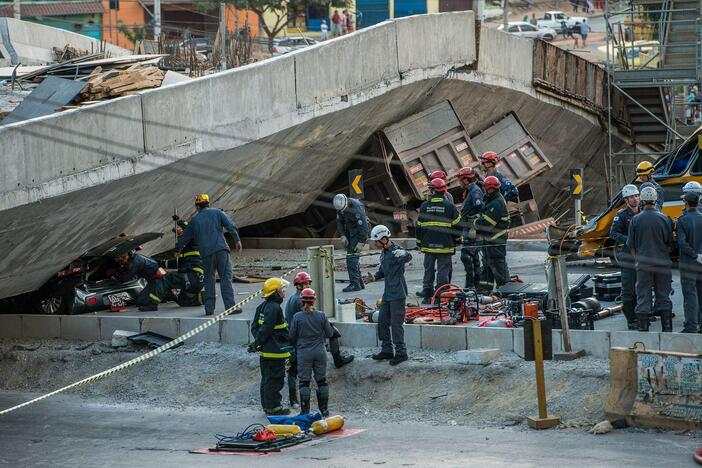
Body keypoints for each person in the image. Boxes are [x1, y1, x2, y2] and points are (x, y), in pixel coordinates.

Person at [284, 271, 353, 408]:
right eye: (305, 283)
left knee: (297, 374)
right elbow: (325, 331)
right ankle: (320, 408)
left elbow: (293, 330)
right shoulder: (301, 302)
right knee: (310, 377)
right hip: (306, 345)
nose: (308, 285)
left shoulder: (293, 299)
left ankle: (299, 405)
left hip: (301, 344)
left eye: (309, 282)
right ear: (298, 285)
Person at [176, 194, 242, 316]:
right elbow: (230, 225)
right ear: (208, 203)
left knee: (209, 280)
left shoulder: (194, 221)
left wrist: (177, 249)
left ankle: (209, 309)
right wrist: (237, 240)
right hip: (221, 250)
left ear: (197, 207)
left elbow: (184, 238)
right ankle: (230, 307)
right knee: (225, 278)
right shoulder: (217, 212)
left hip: (206, 254)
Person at [626, 186, 674, 332]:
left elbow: (631, 245)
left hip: (643, 263)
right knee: (664, 294)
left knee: (643, 295)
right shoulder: (665, 219)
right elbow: (670, 244)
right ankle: (667, 329)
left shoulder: (635, 220)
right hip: (662, 262)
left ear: (642, 200)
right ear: (655, 200)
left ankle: (644, 330)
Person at [370, 225, 412, 366]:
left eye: (376, 241)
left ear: (384, 239)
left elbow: (408, 256)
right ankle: (387, 349)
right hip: (388, 293)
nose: (374, 244)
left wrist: (404, 254)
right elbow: (383, 270)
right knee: (382, 322)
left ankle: (401, 352)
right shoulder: (384, 252)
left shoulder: (396, 251)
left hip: (398, 293)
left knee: (396, 324)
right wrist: (373, 277)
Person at [249, 277, 292, 416]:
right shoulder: (274, 308)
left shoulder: (262, 307)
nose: (284, 292)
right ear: (275, 292)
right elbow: (266, 329)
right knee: (275, 379)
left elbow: (255, 327)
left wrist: (259, 343)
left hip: (266, 352)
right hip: (275, 352)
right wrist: (259, 343)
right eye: (281, 289)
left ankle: (267, 406)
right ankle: (274, 407)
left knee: (266, 379)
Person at [289, 288, 335, 416]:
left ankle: (305, 412)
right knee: (321, 381)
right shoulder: (321, 315)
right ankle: (324, 410)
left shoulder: (297, 317)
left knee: (304, 382)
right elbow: (330, 333)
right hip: (320, 352)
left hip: (304, 353)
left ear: (301, 300)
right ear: (314, 300)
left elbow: (291, 336)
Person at [416, 178, 461, 304]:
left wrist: (419, 243)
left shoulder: (424, 207)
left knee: (428, 270)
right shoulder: (450, 207)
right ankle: (440, 297)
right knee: (443, 271)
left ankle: (426, 296)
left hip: (428, 247)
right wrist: (457, 241)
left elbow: (418, 227)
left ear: (433, 190)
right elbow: (458, 226)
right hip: (445, 246)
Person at [609, 184, 640, 330]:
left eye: (636, 196)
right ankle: (631, 319)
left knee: (644, 289)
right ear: (626, 200)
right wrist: (628, 240)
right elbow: (613, 234)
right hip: (628, 258)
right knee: (628, 290)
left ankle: (644, 314)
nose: (635, 199)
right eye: (631, 197)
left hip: (644, 258)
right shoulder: (621, 216)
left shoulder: (644, 213)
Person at [475, 176, 510, 293]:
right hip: (489, 241)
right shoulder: (491, 200)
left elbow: (486, 224)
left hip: (495, 242)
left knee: (498, 267)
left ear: (491, 189)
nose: (484, 190)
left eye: (486, 188)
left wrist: (475, 222)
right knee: (487, 267)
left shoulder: (497, 203)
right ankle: (484, 289)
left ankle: (505, 291)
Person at [158, 220, 205, 307]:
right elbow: (177, 263)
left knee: (165, 278)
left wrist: (183, 224)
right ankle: (199, 299)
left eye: (180, 233)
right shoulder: (186, 248)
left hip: (193, 276)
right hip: (197, 280)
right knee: (182, 301)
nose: (178, 235)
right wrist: (160, 263)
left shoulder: (193, 242)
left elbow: (190, 231)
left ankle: (150, 303)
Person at [677, 191, 702, 333]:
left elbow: (681, 243)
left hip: (689, 263)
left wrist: (694, 255)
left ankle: (691, 326)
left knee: (690, 295)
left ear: (686, 203)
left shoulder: (682, 220)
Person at [334, 193, 369, 292]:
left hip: (358, 233)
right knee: (353, 258)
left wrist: (361, 242)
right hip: (350, 231)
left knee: (351, 259)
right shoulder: (340, 207)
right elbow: (340, 221)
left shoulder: (356, 208)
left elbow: (364, 228)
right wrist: (342, 235)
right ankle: (359, 283)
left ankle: (355, 284)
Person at [457, 166, 483, 290]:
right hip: (467, 229)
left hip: (470, 230)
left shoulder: (475, 192)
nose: (459, 182)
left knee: (467, 257)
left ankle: (471, 286)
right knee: (473, 258)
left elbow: (480, 210)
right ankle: (474, 286)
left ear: (466, 180)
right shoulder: (470, 191)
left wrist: (473, 227)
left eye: (461, 180)